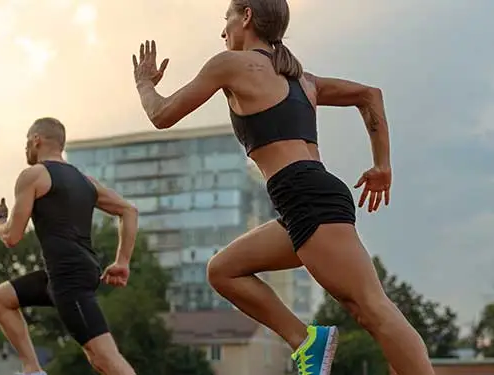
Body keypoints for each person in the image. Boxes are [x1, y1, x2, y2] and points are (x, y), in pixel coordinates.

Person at [130, 1, 435, 374]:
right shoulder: (303, 80)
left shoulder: (230, 65)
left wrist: (144, 84)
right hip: (303, 200)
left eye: (227, 19)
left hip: (306, 196)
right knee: (223, 271)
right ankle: (306, 341)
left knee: (371, 308)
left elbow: (162, 115)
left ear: (246, 16)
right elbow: (369, 94)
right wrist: (381, 164)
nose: (223, 31)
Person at [0, 117, 139, 375]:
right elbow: (129, 210)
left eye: (27, 142)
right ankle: (33, 370)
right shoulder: (85, 181)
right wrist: (122, 261)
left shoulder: (33, 176)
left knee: (104, 357)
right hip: (64, 275)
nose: (25, 148)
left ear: (36, 140)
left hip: (69, 278)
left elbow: (11, 237)